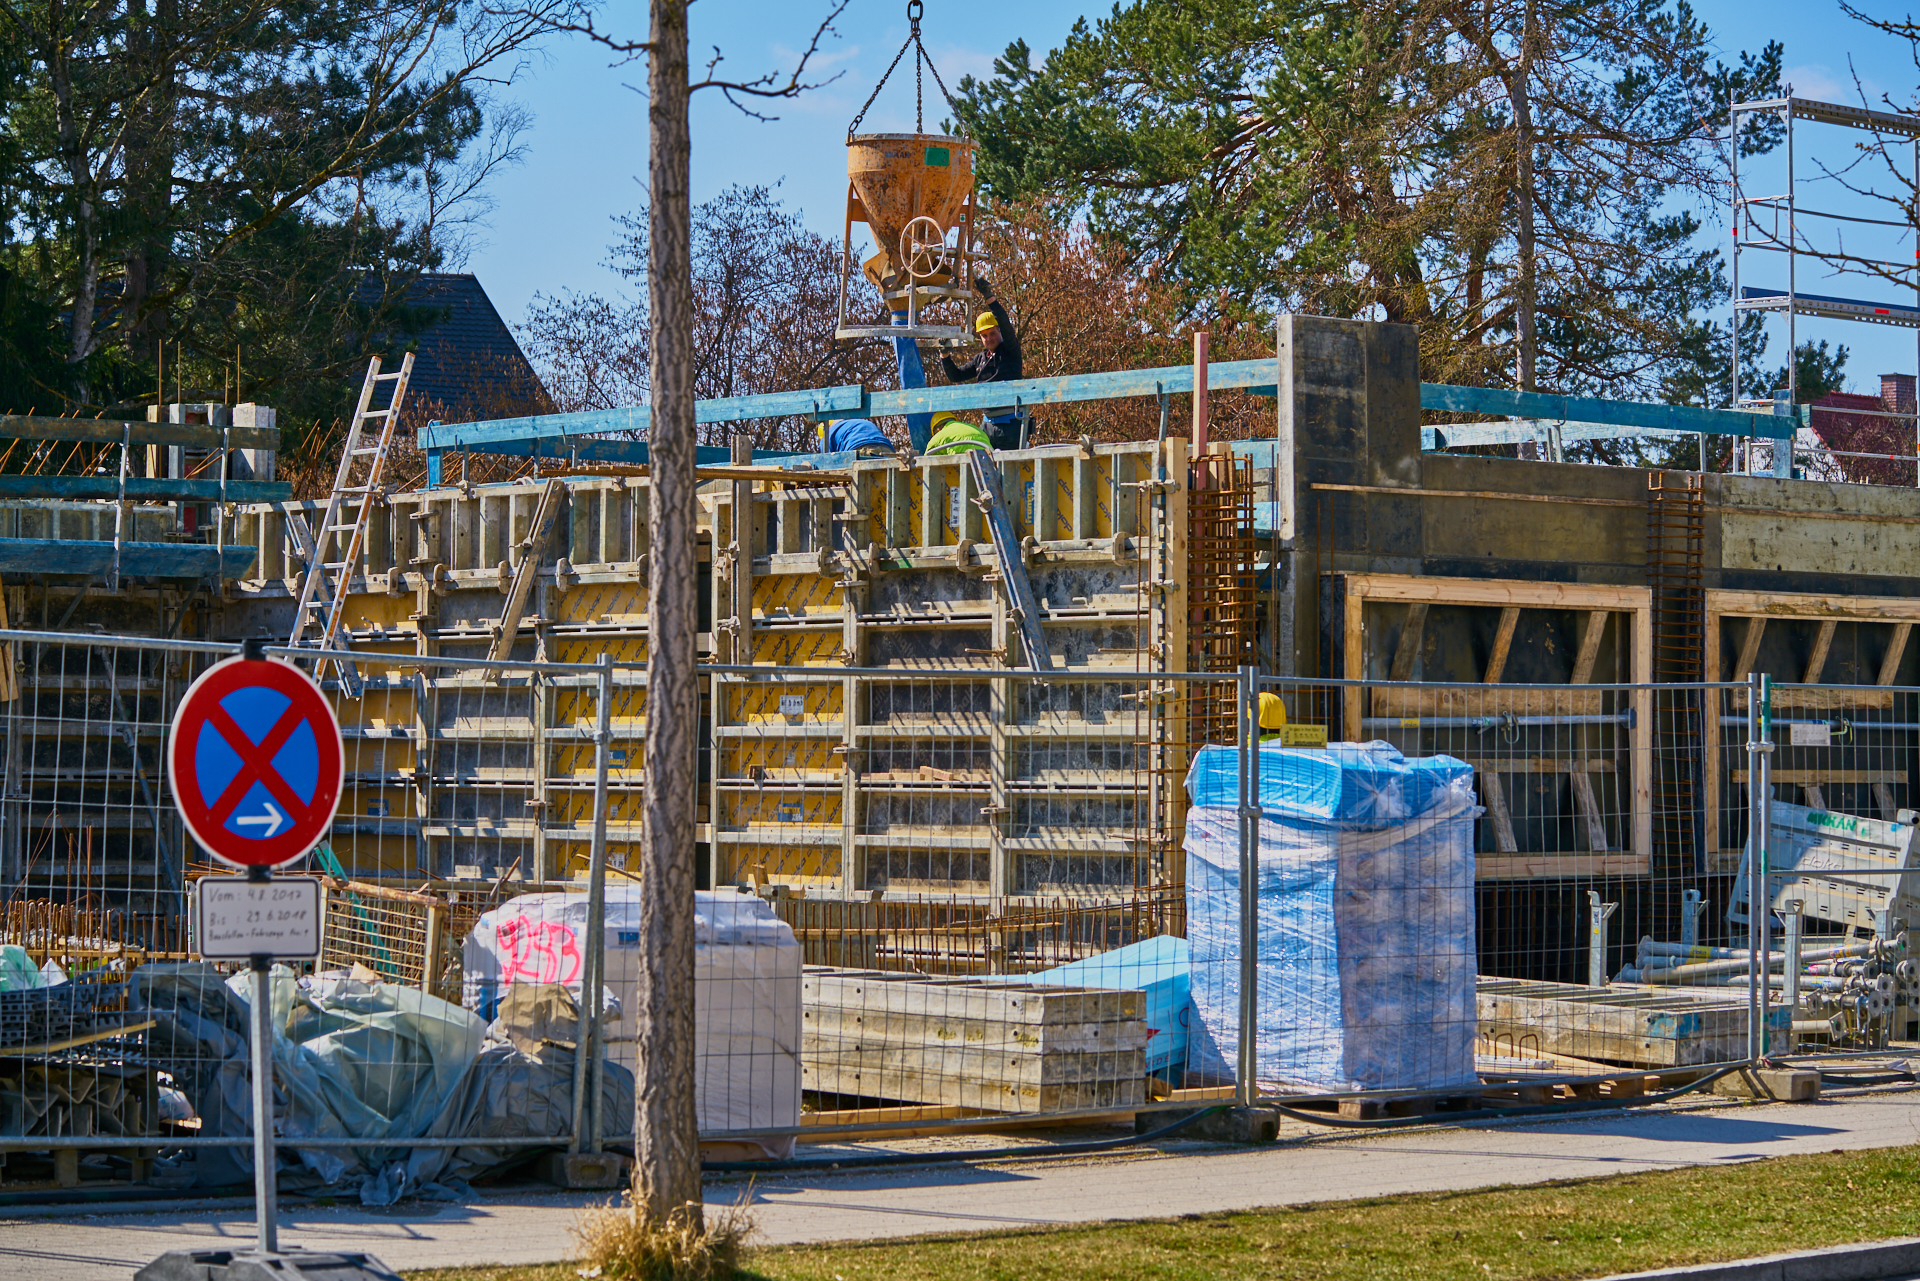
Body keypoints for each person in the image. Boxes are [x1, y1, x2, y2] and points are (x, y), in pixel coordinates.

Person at [940, 277, 1026, 449]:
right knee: (985, 464)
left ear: (999, 332)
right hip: (987, 426)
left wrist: (989, 298)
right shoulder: (980, 359)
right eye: (984, 336)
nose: (989, 339)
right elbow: (956, 376)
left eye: (992, 333)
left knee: (1011, 464)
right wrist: (945, 355)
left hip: (1010, 424)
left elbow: (1005, 323)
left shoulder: (1009, 351)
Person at [817, 419, 897, 458]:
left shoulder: (827, 435)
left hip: (860, 451)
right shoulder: (854, 422)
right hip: (887, 450)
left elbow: (827, 462)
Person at [924, 411, 993, 456]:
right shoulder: (977, 429)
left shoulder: (938, 437)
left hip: (962, 470)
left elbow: (925, 462)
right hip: (989, 466)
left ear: (938, 430)